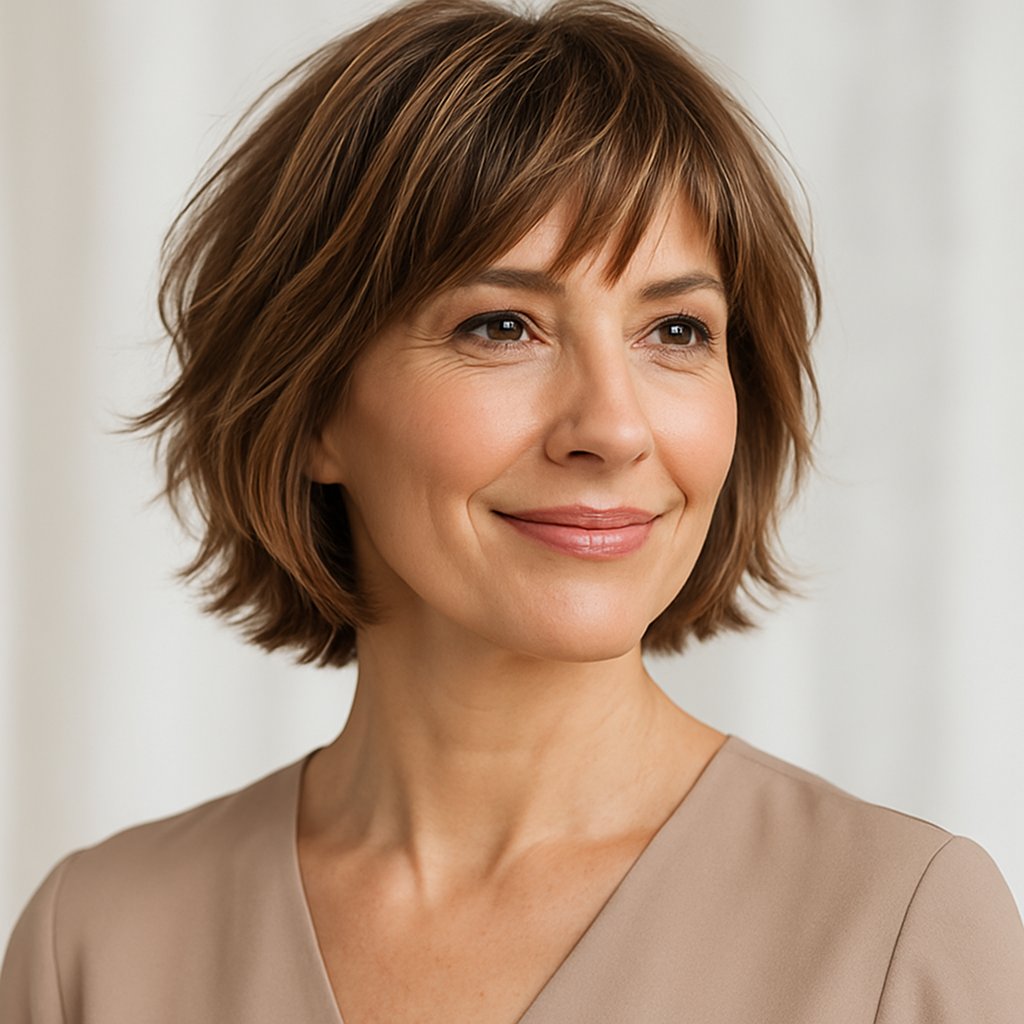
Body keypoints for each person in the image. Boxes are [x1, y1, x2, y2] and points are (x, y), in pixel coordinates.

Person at [2, 0, 1022, 1019]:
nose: (612, 427)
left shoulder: (901, 931)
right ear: (310, 405)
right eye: (502, 326)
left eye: (675, 330)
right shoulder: (93, 944)